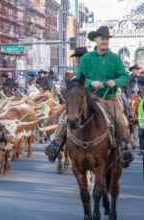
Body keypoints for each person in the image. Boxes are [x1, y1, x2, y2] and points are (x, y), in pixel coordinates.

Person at [45, 26, 134, 168]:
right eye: (102, 39)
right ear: (96, 40)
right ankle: (58, 141)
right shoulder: (86, 58)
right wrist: (91, 82)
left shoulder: (115, 58)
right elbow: (78, 79)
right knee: (67, 116)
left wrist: (115, 82)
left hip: (109, 98)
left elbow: (124, 77)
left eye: (107, 39)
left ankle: (123, 147)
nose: (105, 41)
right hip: (89, 98)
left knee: (120, 120)